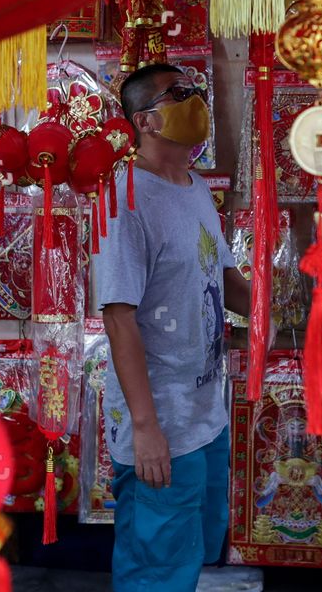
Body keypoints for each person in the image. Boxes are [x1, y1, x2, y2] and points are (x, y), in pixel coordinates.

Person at [97, 63, 252, 592]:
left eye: (196, 90)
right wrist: (145, 427)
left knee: (191, 550)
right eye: (179, 94)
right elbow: (119, 319)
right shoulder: (124, 198)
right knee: (156, 565)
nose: (196, 100)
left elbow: (224, 277)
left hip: (203, 412)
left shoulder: (193, 187)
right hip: (159, 417)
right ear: (147, 120)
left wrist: (288, 314)